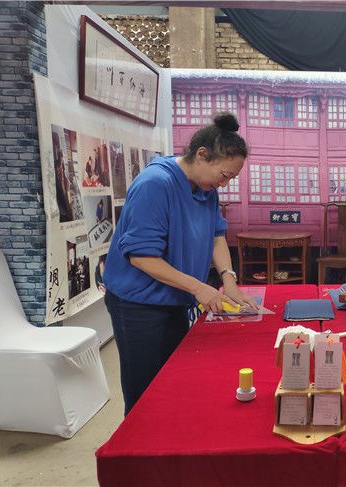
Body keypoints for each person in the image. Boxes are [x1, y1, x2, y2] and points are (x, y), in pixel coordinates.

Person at [103, 113, 258, 415]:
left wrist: (228, 280)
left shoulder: (206, 189)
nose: (224, 183)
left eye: (231, 179)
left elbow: (216, 236)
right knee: (144, 391)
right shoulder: (155, 184)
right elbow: (141, 256)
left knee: (172, 381)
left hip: (175, 297)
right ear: (201, 155)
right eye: (224, 175)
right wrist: (199, 288)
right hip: (138, 305)